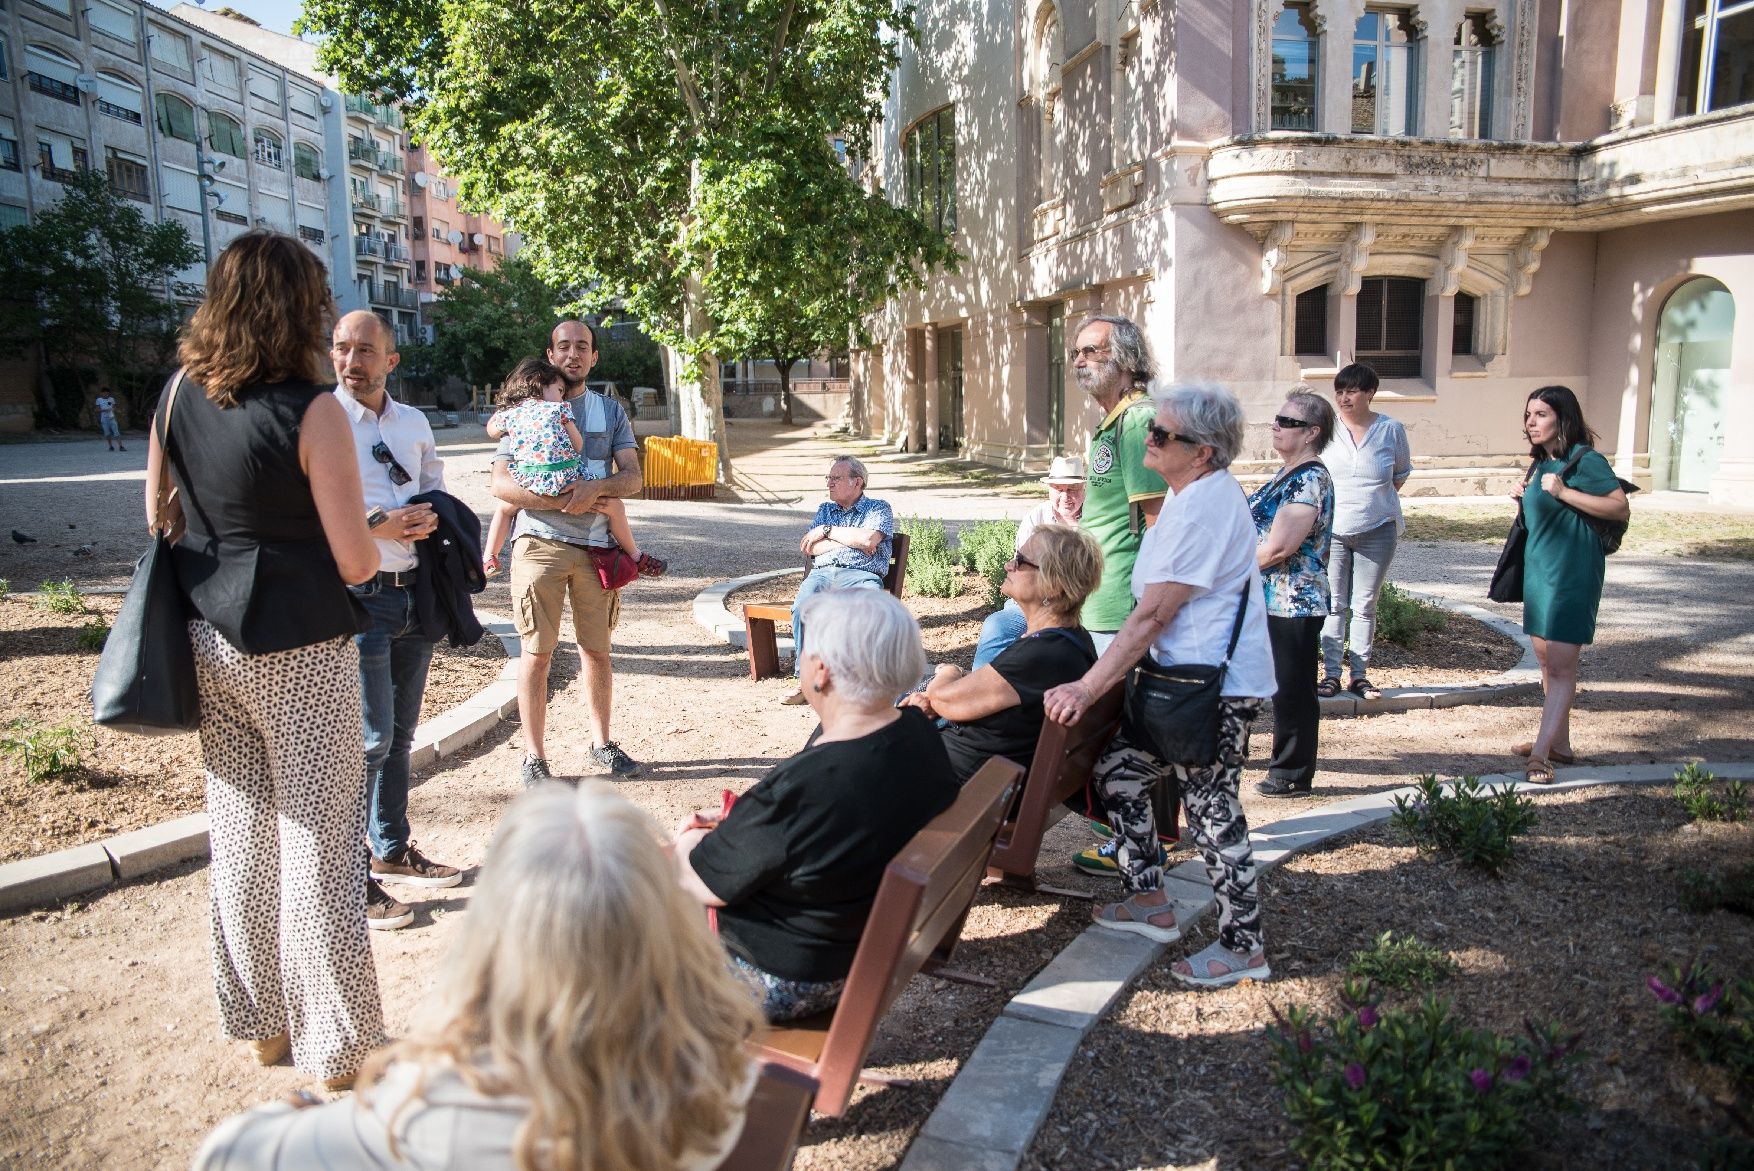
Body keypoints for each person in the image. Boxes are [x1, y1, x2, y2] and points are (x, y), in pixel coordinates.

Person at [192, 784, 762, 1171]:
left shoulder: (432, 1110)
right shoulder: (714, 1080)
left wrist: (291, 1108)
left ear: (493, 935)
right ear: (665, 927)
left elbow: (225, 1155)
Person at [146, 231, 384, 1088]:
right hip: (300, 645)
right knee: (319, 842)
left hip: (208, 634)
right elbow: (356, 560)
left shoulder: (175, 395)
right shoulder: (312, 409)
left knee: (240, 828)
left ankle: (260, 1023)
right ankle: (339, 1046)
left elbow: (160, 515)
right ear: (298, 308)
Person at [1043, 382, 1276, 988]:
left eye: (1163, 433)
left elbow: (1153, 614)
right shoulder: (1185, 496)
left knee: (1212, 811)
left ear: (1203, 451)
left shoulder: (1203, 507)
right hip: (1179, 680)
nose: (1149, 436)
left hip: (1212, 688)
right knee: (1118, 775)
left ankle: (1243, 945)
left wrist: (1086, 687)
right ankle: (1150, 899)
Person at [674, 590, 959, 1022]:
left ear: (821, 670)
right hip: (864, 948)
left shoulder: (806, 786)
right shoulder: (919, 736)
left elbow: (700, 882)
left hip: (788, 976)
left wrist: (689, 838)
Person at [330, 310, 462, 933]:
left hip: (416, 594)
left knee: (401, 736)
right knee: (368, 741)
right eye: (341, 349)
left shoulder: (411, 422)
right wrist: (378, 525)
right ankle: (347, 877)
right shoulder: (323, 422)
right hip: (361, 597)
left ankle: (391, 848)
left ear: (391, 360)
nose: (351, 362)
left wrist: (429, 517)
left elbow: (433, 486)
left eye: (363, 350)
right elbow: (313, 519)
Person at [491, 321, 645, 784]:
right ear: (551, 353)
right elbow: (500, 485)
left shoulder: (609, 412)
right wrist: (563, 500)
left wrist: (597, 487)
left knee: (596, 651)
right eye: (564, 346)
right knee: (535, 654)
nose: (573, 354)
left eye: (582, 347)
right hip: (539, 545)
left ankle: (602, 744)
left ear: (594, 357)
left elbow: (633, 478)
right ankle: (534, 758)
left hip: (597, 549)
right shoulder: (524, 409)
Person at [906, 523, 1101, 782]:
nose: (1009, 565)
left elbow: (944, 699)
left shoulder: (1042, 655)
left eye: (1021, 562)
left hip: (966, 794)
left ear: (1053, 586)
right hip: (988, 781)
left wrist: (948, 671)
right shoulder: (1072, 640)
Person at [1512, 385, 1629, 785]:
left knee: (1561, 667)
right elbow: (1547, 515)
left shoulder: (1586, 461)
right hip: (1540, 574)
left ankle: (1541, 755)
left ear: (1564, 418)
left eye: (1541, 414)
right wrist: (1524, 498)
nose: (1531, 422)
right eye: (1528, 414)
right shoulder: (1541, 464)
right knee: (1547, 664)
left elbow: (1618, 505)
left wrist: (1565, 492)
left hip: (1571, 575)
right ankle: (1559, 743)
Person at [482, 358, 665, 580]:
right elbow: (578, 445)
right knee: (614, 507)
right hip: (565, 476)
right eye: (559, 390)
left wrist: (510, 417)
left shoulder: (514, 412)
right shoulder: (560, 408)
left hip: (532, 480)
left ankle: (489, 556)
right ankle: (636, 555)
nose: (561, 395)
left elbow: (491, 429)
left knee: (504, 508)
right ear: (540, 384)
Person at [1249, 390, 1336, 798]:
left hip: (1294, 600)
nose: (1277, 425)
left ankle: (1293, 772)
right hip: (1268, 597)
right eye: (1277, 419)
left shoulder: (1310, 479)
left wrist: (1226, 570)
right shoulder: (1286, 473)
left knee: (1292, 688)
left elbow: (1281, 547)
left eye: (1288, 421)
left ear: (1312, 433)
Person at [1071, 315, 1167, 655]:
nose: (1080, 360)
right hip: (1097, 595)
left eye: (1091, 350)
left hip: (1120, 602)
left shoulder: (1138, 420)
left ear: (1125, 358)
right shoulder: (1115, 420)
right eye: (1076, 352)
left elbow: (1158, 522)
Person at [1319, 363, 1411, 700]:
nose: (1344, 397)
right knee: (1333, 603)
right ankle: (1330, 675)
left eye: (1351, 391)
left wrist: (1373, 502)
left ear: (1370, 393)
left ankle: (1359, 675)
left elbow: (1400, 474)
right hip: (1333, 531)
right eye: (1339, 391)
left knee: (1365, 604)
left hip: (1377, 530)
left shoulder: (1391, 430)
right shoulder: (1327, 429)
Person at [778, 455, 895, 706]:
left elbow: (869, 541)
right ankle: (806, 683)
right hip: (823, 573)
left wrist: (827, 532)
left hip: (861, 576)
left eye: (836, 478)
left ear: (857, 482)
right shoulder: (825, 510)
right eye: (828, 478)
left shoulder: (878, 508)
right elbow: (811, 548)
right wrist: (848, 539)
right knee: (802, 608)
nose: (829, 483)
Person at [971, 454, 1088, 670]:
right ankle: (978, 689)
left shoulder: (1095, 518)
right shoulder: (1036, 517)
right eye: (1059, 489)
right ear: (1049, 489)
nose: (1065, 497)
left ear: (1084, 489)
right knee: (997, 626)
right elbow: (1022, 569)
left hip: (1079, 607)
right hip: (1034, 603)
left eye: (1072, 489)